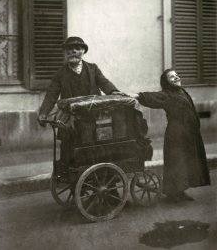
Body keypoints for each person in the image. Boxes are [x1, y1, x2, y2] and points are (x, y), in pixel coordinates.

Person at [133, 69, 211, 202]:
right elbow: (152, 97)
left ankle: (180, 191)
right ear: (166, 82)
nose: (176, 78)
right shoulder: (167, 95)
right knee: (176, 162)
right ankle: (172, 194)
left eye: (176, 75)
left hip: (188, 133)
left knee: (185, 162)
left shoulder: (182, 92)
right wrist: (137, 95)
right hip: (177, 134)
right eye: (171, 77)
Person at [38, 36, 123, 124]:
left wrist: (113, 91)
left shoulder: (93, 69)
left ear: (83, 52)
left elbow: (103, 82)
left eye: (77, 48)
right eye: (70, 48)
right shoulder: (60, 74)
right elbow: (51, 95)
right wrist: (43, 113)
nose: (73, 51)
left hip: (93, 116)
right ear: (65, 52)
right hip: (70, 119)